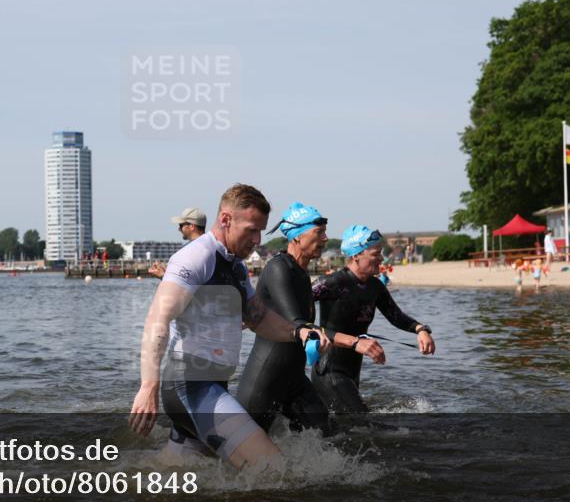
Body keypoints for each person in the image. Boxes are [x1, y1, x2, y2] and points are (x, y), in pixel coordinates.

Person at [128, 185, 328, 469]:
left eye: (261, 231)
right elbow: (157, 319)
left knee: (169, 482)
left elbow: (258, 318)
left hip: (209, 384)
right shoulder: (197, 257)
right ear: (225, 220)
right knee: (274, 472)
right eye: (251, 230)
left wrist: (299, 331)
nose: (257, 240)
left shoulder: (235, 266)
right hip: (191, 386)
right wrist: (148, 386)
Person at [310, 225, 436, 413]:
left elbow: (396, 316)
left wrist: (421, 329)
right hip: (329, 369)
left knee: (348, 427)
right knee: (363, 423)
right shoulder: (332, 283)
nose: (381, 259)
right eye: (376, 254)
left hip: (353, 370)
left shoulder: (375, 286)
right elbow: (295, 314)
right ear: (356, 255)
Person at [236, 202, 334, 435]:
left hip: (293, 379)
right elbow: (295, 320)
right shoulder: (278, 268)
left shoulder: (300, 272)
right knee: (244, 459)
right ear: (298, 236)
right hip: (265, 379)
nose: (325, 238)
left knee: (329, 437)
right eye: (318, 232)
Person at [148, 207, 207, 279]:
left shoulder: (191, 250)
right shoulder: (211, 246)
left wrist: (163, 276)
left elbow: (186, 283)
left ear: (192, 226)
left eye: (181, 225)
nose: (179, 229)